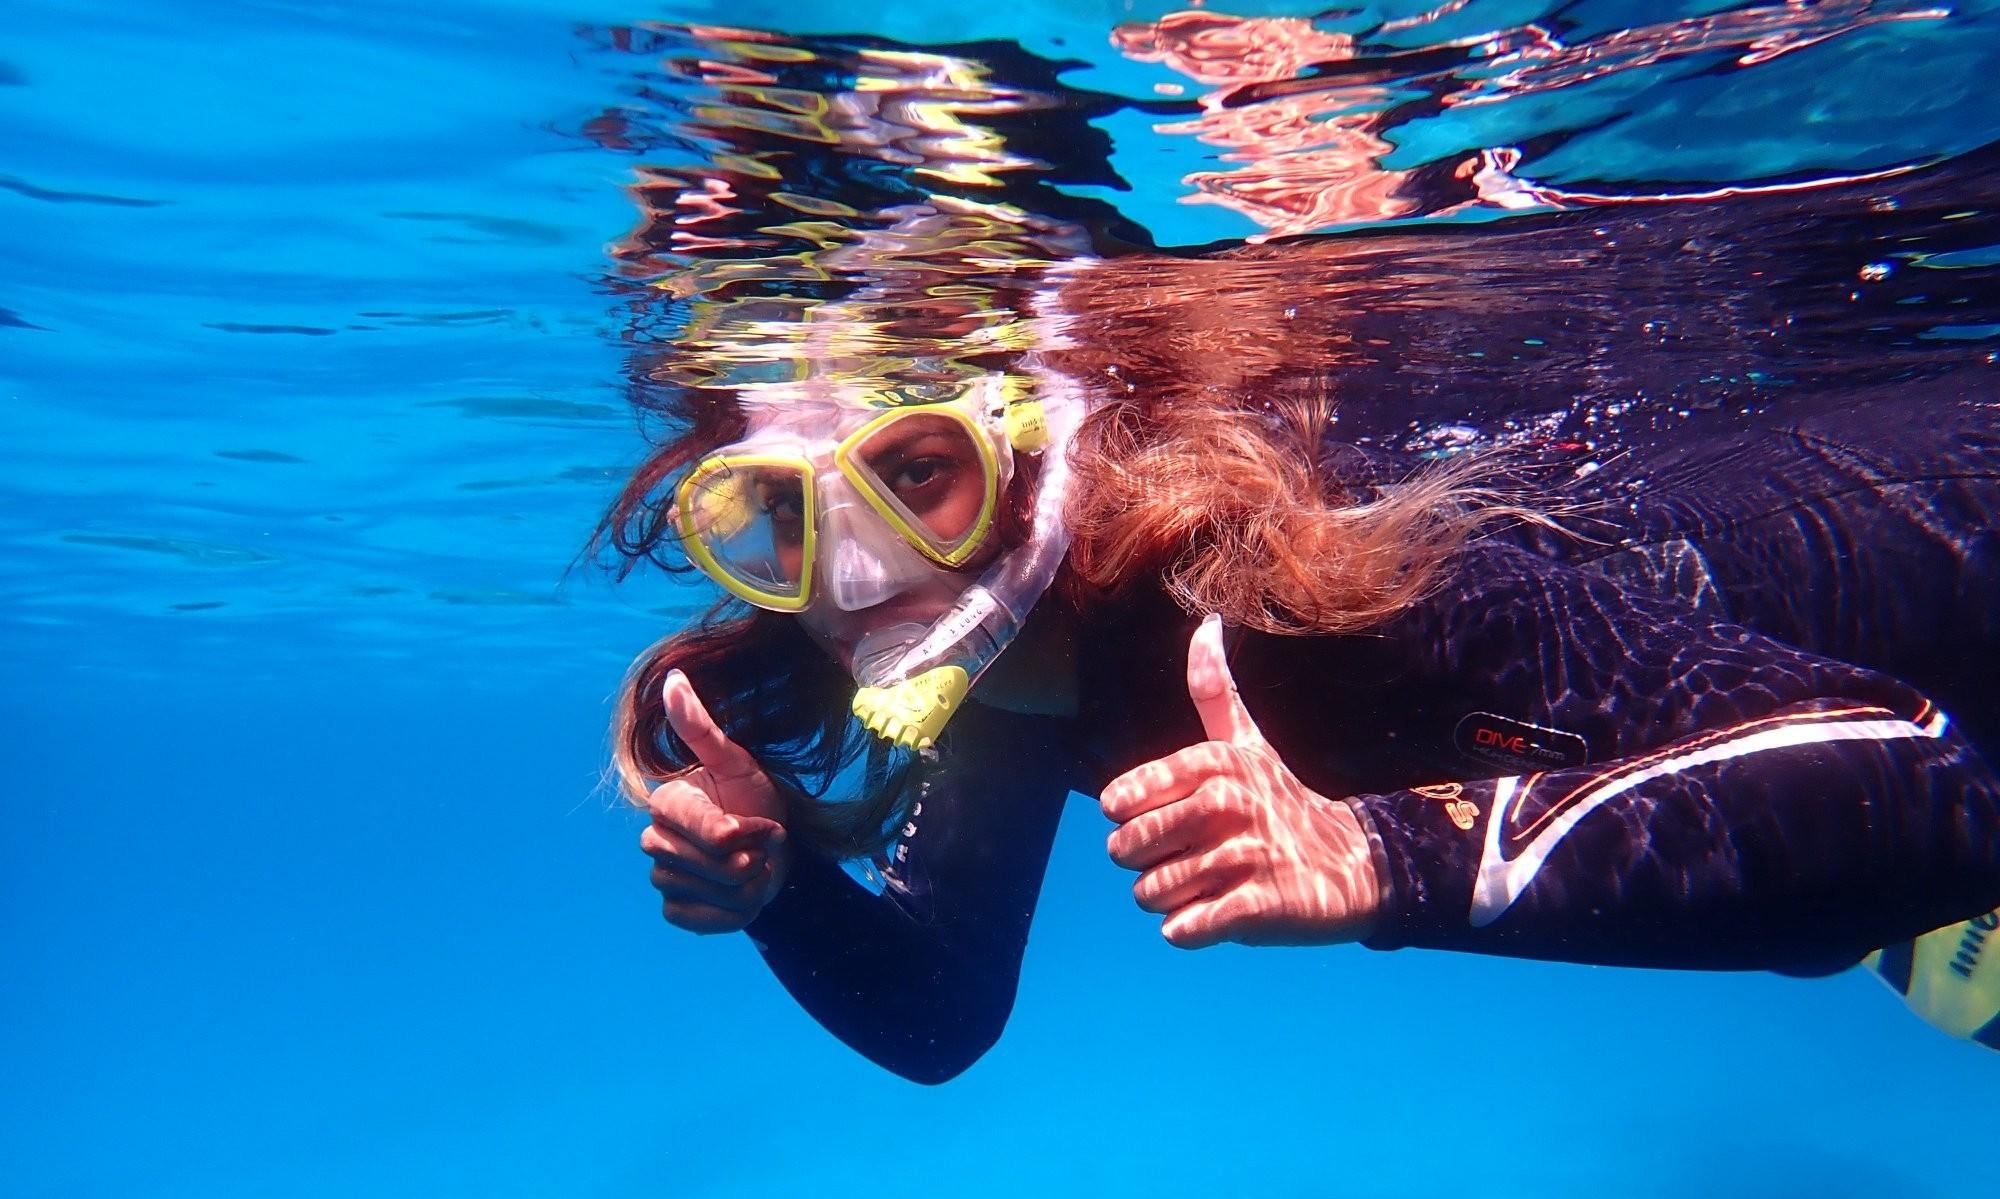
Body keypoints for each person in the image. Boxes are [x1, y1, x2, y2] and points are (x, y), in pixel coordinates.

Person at [600, 190, 2000, 1083]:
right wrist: (779, 888)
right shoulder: (1008, 690)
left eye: (919, 473)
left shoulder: (1304, 582)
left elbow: (1935, 792)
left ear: (1032, 462)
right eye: (775, 519)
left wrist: (1393, 857)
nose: (859, 571)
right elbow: (936, 1015)